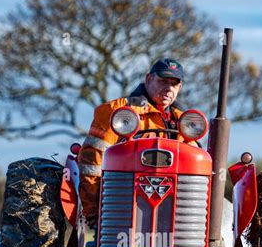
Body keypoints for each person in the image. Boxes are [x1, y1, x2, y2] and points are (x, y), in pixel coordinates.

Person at [78, 58, 187, 228]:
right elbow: (92, 163)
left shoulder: (184, 122)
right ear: (149, 79)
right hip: (122, 205)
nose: (168, 88)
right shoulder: (117, 112)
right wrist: (94, 214)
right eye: (163, 81)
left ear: (179, 88)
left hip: (170, 213)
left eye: (174, 84)